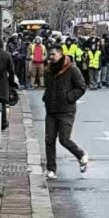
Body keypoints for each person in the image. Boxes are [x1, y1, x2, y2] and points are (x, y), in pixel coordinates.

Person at [42, 46, 88, 180]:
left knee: (64, 139)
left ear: (61, 54)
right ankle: (51, 169)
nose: (50, 57)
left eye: (53, 55)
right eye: (49, 55)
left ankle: (80, 155)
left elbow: (81, 87)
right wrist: (47, 98)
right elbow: (48, 86)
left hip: (66, 110)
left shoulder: (72, 69)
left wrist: (69, 97)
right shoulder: (49, 70)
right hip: (51, 109)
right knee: (49, 140)